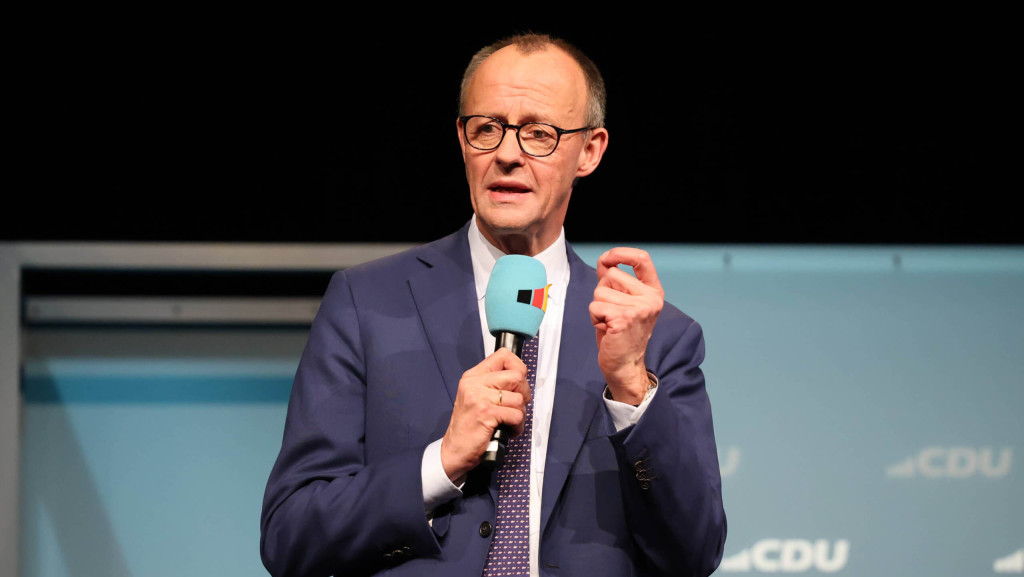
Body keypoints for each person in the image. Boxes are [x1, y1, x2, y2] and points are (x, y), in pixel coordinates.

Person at [260, 33, 726, 577]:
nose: (507, 153)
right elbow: (291, 536)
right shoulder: (368, 304)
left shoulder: (655, 336)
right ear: (462, 139)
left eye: (539, 133)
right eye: (488, 129)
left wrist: (629, 386)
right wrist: (440, 462)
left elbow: (693, 553)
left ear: (590, 151)